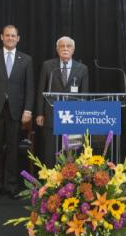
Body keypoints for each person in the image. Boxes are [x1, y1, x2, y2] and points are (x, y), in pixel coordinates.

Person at [0, 25, 34, 200]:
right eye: (7, 35)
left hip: (16, 112)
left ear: (18, 38)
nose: (10, 38)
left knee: (12, 150)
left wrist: (28, 109)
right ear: (1, 37)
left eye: (13, 36)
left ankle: (11, 186)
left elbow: (30, 88)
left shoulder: (26, 59)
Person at [36, 36, 88, 167]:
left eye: (68, 46)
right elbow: (41, 90)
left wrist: (81, 116)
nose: (65, 48)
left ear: (73, 49)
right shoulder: (48, 66)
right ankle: (50, 183)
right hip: (51, 115)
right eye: (62, 46)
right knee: (50, 152)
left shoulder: (82, 68)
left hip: (74, 117)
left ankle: (72, 183)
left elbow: (85, 94)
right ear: (57, 49)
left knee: (73, 152)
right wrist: (39, 113)